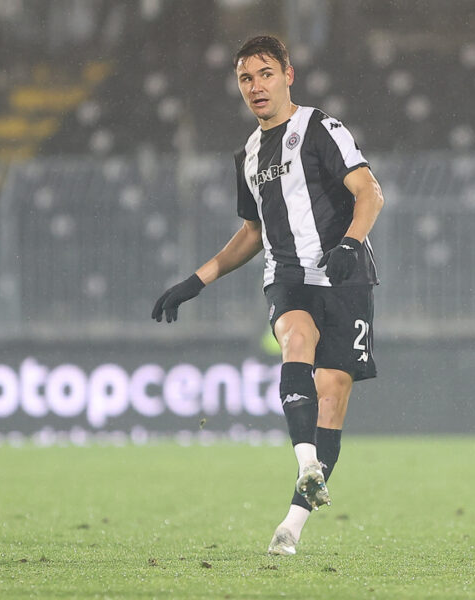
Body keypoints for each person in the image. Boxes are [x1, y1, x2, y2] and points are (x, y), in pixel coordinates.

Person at [151, 35, 384, 556]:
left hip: (346, 276)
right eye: (245, 78)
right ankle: (307, 463)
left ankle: (292, 526)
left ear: (287, 76)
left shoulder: (321, 128)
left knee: (333, 394)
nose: (256, 86)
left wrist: (350, 243)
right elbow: (253, 233)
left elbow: (370, 192)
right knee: (295, 337)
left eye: (265, 74)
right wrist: (196, 281)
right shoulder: (249, 155)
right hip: (289, 275)